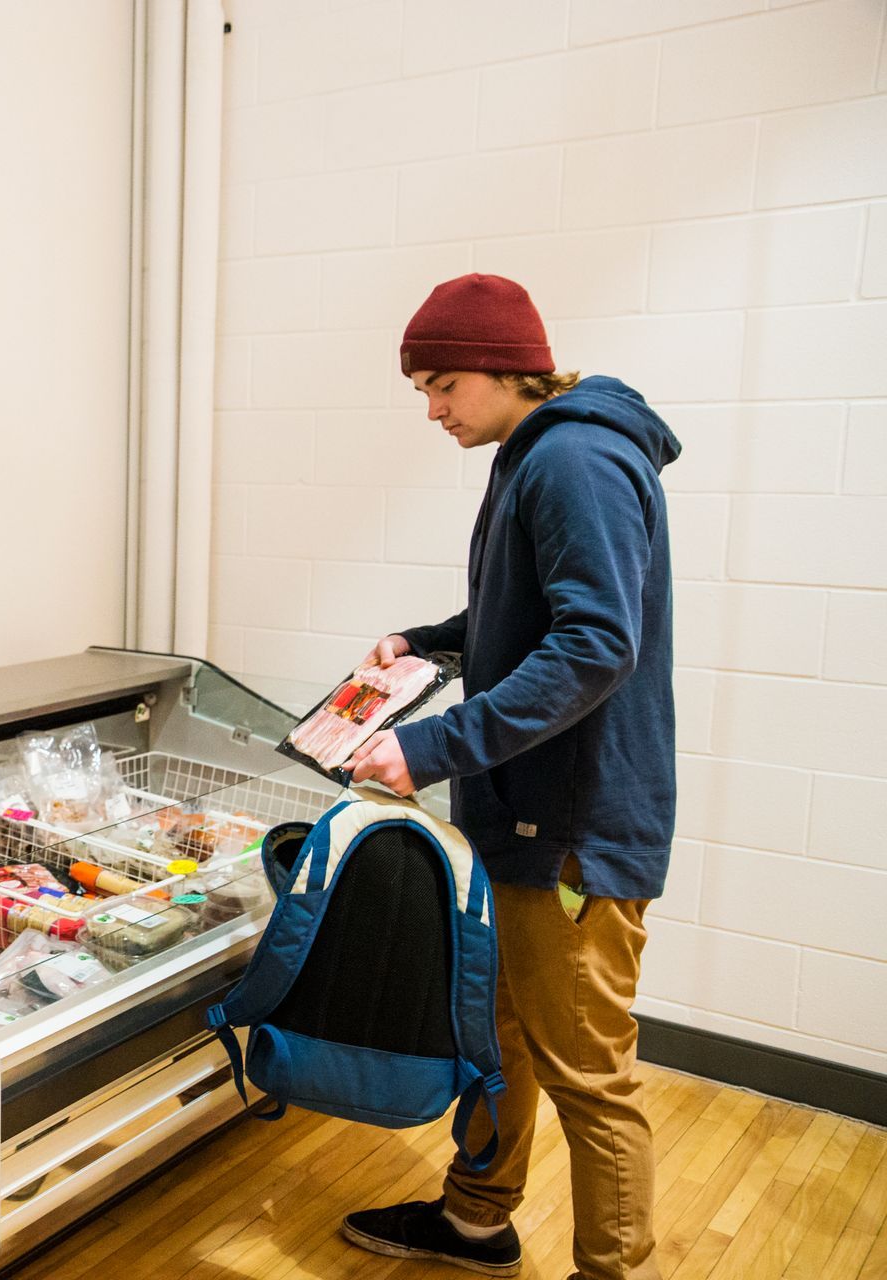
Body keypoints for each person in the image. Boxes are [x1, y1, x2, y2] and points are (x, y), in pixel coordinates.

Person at [338, 274, 679, 1280]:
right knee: (504, 1034)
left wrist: (431, 745)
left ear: (507, 370)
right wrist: (432, 640)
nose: (435, 411)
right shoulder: (540, 453)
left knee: (589, 1074)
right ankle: (478, 1217)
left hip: (574, 827)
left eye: (444, 386)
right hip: (526, 815)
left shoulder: (573, 456)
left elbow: (594, 644)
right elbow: (531, 614)